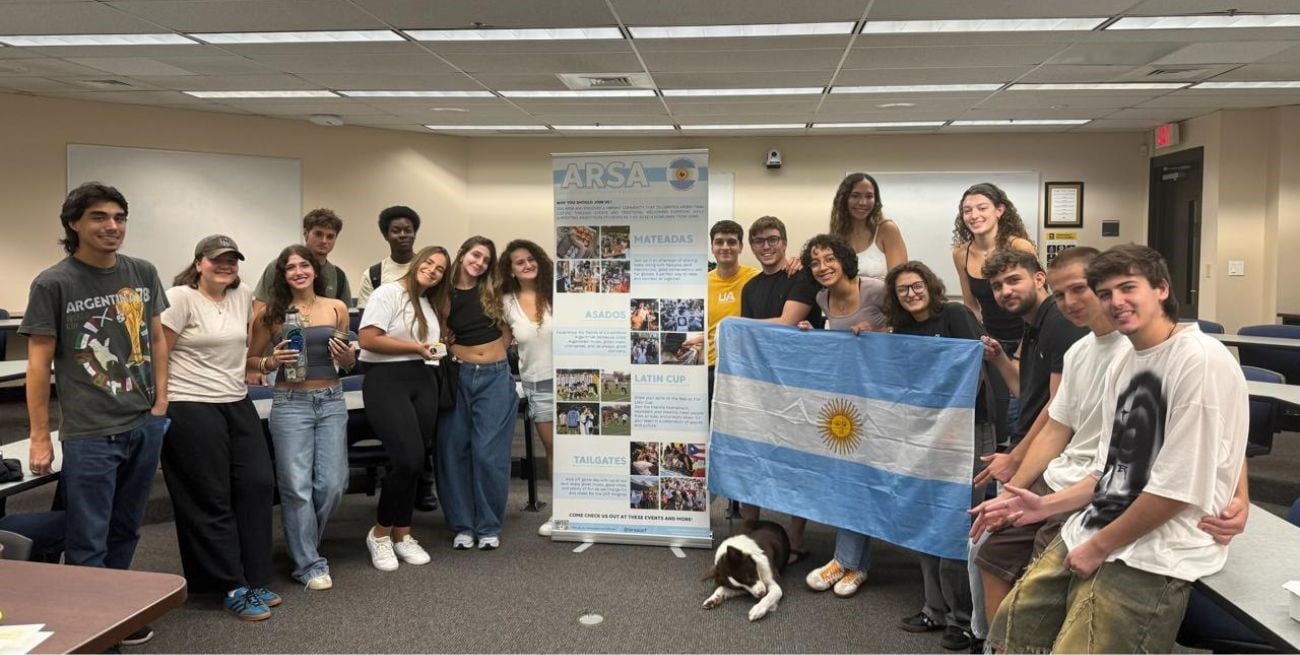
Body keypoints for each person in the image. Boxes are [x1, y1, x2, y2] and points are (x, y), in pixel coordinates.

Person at [980, 244, 1249, 654]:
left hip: (1157, 548)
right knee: (1012, 630)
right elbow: (1111, 471)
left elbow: (1177, 489)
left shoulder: (1199, 360)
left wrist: (1099, 547)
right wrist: (1045, 506)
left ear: (1161, 289)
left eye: (1127, 288)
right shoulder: (1125, 363)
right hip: (1100, 524)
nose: (1115, 302)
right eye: (1105, 293)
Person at [21, 182, 171, 646]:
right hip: (90, 431)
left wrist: (160, 402)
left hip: (142, 423)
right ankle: (90, 626)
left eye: (119, 217)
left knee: (127, 526)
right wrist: (40, 435)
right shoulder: (54, 282)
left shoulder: (141, 272)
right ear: (74, 224)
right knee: (89, 535)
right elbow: (38, 363)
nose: (112, 227)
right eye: (99, 217)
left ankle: (115, 608)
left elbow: (157, 338)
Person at [159, 235, 278, 621]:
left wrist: (264, 364)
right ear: (199, 264)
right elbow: (159, 353)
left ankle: (254, 575)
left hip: (235, 399)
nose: (225, 266)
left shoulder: (241, 294)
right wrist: (160, 403)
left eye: (232, 260)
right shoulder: (179, 298)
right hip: (190, 403)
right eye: (217, 260)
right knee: (209, 495)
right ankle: (229, 585)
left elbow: (240, 356)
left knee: (258, 484)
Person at [884, 260, 996, 652]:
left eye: (916, 286)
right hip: (925, 437)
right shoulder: (903, 330)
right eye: (902, 290)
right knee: (926, 521)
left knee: (955, 524)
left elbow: (978, 366)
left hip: (967, 432)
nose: (911, 294)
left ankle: (965, 621)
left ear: (930, 286)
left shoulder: (955, 315)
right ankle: (934, 607)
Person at [247, 245, 355, 590]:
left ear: (314, 270)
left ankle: (302, 541)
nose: (298, 271)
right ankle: (308, 562)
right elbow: (249, 361)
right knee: (296, 487)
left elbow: (348, 363)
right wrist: (270, 362)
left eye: (303, 264)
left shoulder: (336, 307)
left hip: (332, 400)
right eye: (290, 267)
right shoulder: (271, 314)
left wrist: (349, 358)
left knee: (333, 485)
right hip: (290, 401)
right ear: (282, 275)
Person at [798, 233, 887, 599]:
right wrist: (812, 334)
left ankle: (849, 561)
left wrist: (879, 331)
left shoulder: (877, 290)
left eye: (829, 259)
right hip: (849, 403)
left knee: (863, 479)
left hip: (884, 397)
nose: (823, 267)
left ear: (845, 259)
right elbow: (838, 345)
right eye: (815, 262)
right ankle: (852, 563)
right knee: (850, 478)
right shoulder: (822, 298)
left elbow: (913, 330)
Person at [736, 215, 824, 564]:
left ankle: (797, 542)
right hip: (760, 384)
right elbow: (748, 338)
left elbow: (787, 324)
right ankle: (747, 532)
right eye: (759, 241)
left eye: (773, 239)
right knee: (750, 456)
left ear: (785, 242)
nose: (767, 246)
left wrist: (735, 323)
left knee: (795, 462)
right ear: (752, 247)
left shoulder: (801, 277)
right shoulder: (751, 286)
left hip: (799, 383)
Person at [357, 245, 450, 571]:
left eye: (440, 268)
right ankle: (380, 534)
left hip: (424, 379)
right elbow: (367, 339)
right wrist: (414, 347)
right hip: (387, 379)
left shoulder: (429, 303)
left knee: (416, 459)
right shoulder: (389, 293)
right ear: (416, 263)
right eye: (429, 262)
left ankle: (402, 533)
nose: (433, 270)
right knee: (407, 459)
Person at [436, 236, 516, 551]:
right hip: (458, 376)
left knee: (488, 453)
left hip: (495, 377)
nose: (480, 263)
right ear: (463, 254)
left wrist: (497, 351)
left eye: (486, 259)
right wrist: (452, 347)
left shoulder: (494, 291)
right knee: (453, 451)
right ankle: (463, 526)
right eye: (476, 255)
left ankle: (488, 526)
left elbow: (509, 328)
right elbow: (439, 331)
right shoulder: (442, 292)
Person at [356, 206, 438, 512]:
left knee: (423, 437)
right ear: (386, 235)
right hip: (387, 369)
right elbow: (368, 326)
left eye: (408, 229)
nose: (403, 234)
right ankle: (393, 511)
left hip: (424, 367)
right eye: (396, 230)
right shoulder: (375, 275)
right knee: (403, 444)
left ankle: (422, 487)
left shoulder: (428, 268)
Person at [949, 183, 1038, 444]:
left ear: (1000, 211)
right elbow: (970, 303)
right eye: (967, 210)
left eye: (981, 208)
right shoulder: (960, 253)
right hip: (991, 341)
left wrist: (1023, 348)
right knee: (998, 415)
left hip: (1026, 339)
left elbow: (1037, 298)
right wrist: (983, 340)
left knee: (1021, 411)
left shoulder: (1018, 246)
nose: (974, 215)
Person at [499, 239, 557, 537]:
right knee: (554, 450)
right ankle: (563, 513)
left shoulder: (557, 292)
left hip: (578, 380)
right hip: (538, 382)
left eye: (531, 258)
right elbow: (501, 344)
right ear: (510, 270)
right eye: (519, 262)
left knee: (585, 447)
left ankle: (594, 508)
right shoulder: (506, 303)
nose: (527, 265)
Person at [251, 208, 351, 311]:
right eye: (318, 234)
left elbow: (343, 317)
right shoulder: (280, 266)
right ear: (306, 234)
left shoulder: (338, 276)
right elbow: (259, 309)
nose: (324, 241)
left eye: (330, 236)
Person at [705, 220, 759, 401]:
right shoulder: (701, 283)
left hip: (746, 367)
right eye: (719, 242)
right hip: (712, 367)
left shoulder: (756, 278)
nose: (725, 247)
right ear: (712, 247)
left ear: (741, 247)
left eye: (731, 241)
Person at [828, 173, 908, 280]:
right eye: (855, 196)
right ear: (844, 199)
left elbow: (900, 279)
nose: (862, 202)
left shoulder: (886, 229)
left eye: (869, 196)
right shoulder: (836, 235)